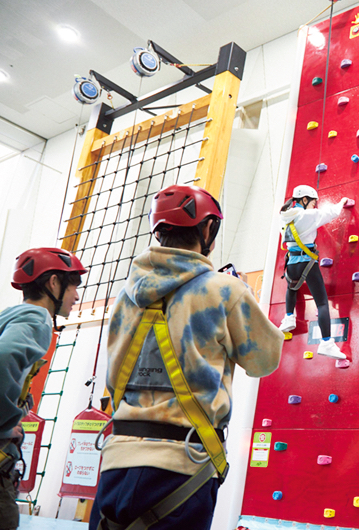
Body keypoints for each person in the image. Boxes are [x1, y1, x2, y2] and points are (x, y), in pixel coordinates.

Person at [90, 185, 284, 530]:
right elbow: (263, 361)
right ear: (208, 229)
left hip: (116, 462)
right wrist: (245, 300)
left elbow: (112, 373)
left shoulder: (126, 296)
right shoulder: (224, 290)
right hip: (182, 467)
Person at [1, 247, 86, 530]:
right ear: (53, 283)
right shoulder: (37, 319)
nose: (76, 296)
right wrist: (4, 424)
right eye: (73, 285)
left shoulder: (9, 316)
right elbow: (5, 359)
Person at [278, 185, 351, 360]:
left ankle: (288, 318)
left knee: (292, 288)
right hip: (307, 262)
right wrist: (342, 201)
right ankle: (327, 343)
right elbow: (332, 213)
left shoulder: (284, 216)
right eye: (313, 202)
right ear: (304, 200)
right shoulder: (307, 215)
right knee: (322, 303)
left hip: (292, 263)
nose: (314, 206)